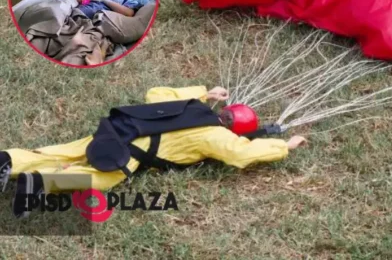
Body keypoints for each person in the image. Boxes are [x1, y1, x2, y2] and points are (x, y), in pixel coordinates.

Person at [0, 85, 306, 218]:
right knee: (102, 179)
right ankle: (41, 182)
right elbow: (243, 154)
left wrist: (203, 92)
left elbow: (157, 94)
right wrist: (284, 146)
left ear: (223, 109)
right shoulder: (215, 137)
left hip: (114, 130)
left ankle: (11, 159)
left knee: (67, 151)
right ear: (236, 131)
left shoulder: (195, 107)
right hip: (129, 152)